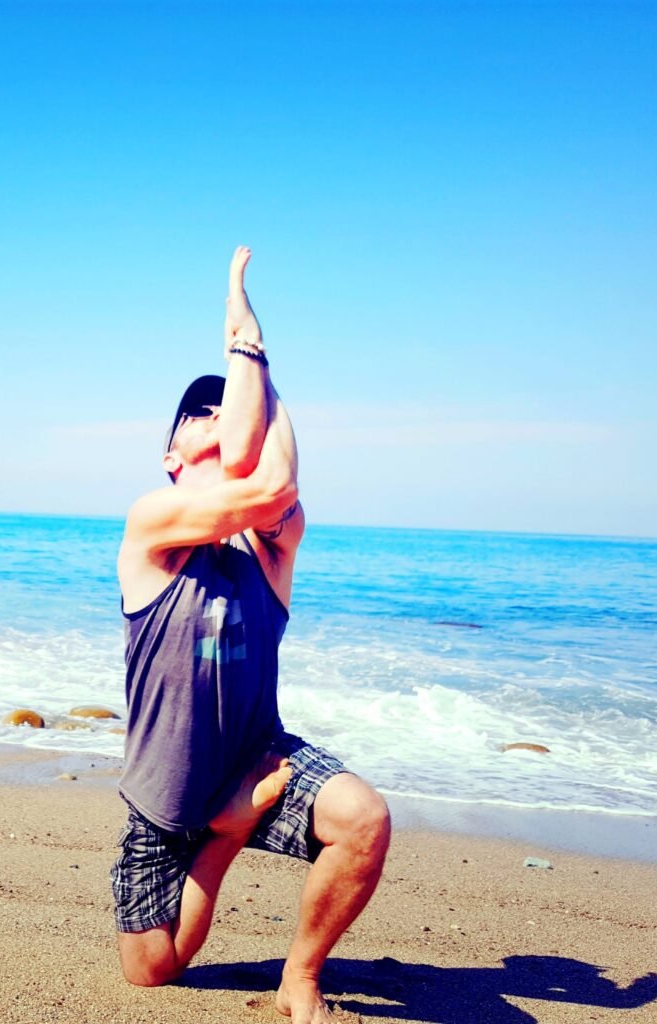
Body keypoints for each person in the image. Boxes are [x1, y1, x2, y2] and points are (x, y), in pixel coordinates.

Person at [113, 247, 391, 1024]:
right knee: (151, 971)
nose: (217, 415)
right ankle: (228, 831)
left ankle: (300, 977)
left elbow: (272, 488)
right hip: (168, 793)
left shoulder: (272, 544)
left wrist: (257, 369)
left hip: (258, 759)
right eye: (197, 413)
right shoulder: (151, 527)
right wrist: (245, 332)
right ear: (170, 457)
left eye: (225, 406)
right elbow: (258, 476)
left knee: (363, 820)